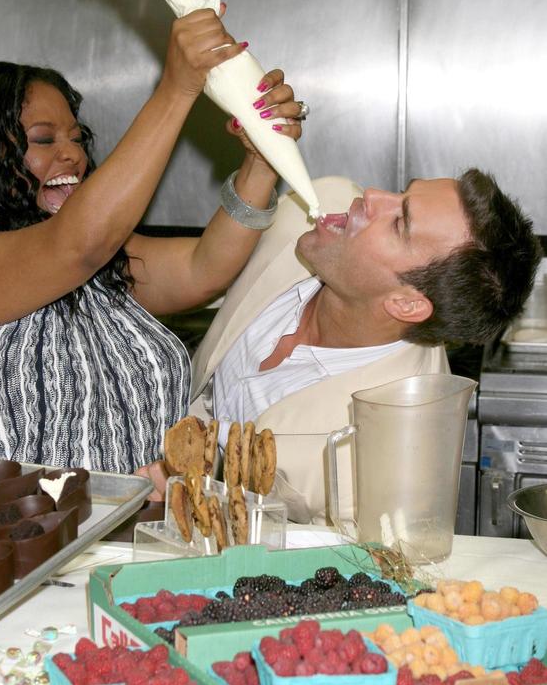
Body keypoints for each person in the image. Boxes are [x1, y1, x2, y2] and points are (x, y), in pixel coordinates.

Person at [0, 8, 306, 486]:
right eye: (43, 139)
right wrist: (177, 89)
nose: (72, 153)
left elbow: (202, 267)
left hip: (139, 543)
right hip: (23, 544)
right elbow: (75, 247)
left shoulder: (98, 263)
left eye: (76, 137)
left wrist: (260, 162)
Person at [190, 171, 541, 523]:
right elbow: (197, 271)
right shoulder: (316, 203)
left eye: (400, 222)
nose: (372, 194)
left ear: (406, 304)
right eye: (401, 192)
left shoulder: (385, 462)